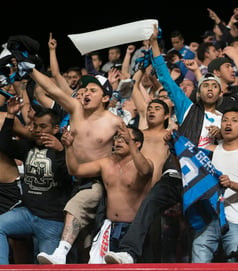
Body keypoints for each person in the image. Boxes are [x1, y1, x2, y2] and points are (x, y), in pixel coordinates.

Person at [103, 24, 225, 264]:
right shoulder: (188, 108)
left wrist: (222, 137)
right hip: (176, 174)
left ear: (221, 94)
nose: (209, 89)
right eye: (205, 86)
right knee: (150, 203)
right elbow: (165, 78)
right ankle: (129, 252)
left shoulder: (229, 120)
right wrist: (155, 44)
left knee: (199, 230)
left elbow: (234, 151)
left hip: (205, 179)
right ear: (198, 93)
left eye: (214, 86)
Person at [19, 59, 123, 264]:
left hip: (97, 182)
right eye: (85, 89)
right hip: (72, 180)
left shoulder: (115, 122)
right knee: (84, 244)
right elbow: (52, 89)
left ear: (106, 98)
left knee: (75, 207)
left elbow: (129, 147)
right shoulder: (75, 109)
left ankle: (60, 253)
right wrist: (31, 70)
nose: (86, 93)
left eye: (93, 90)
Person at [61, 122, 153, 261]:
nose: (119, 141)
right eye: (117, 138)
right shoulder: (106, 163)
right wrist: (69, 147)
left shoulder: (145, 163)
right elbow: (75, 170)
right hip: (109, 228)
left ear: (137, 143)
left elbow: (145, 170)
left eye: (124, 138)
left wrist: (130, 142)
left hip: (134, 231)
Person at [0, 98, 73, 264]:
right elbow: (4, 146)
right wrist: (10, 116)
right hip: (27, 213)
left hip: (52, 221)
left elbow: (70, 175)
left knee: (46, 265)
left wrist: (61, 151)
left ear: (55, 128)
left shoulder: (68, 149)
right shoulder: (29, 146)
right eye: (35, 126)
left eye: (43, 126)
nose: (37, 130)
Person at [191, 108, 238, 263]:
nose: (228, 123)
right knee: (198, 255)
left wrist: (231, 184)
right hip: (209, 217)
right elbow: (189, 166)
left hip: (236, 218)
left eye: (234, 120)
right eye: (225, 120)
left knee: (236, 260)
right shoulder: (209, 150)